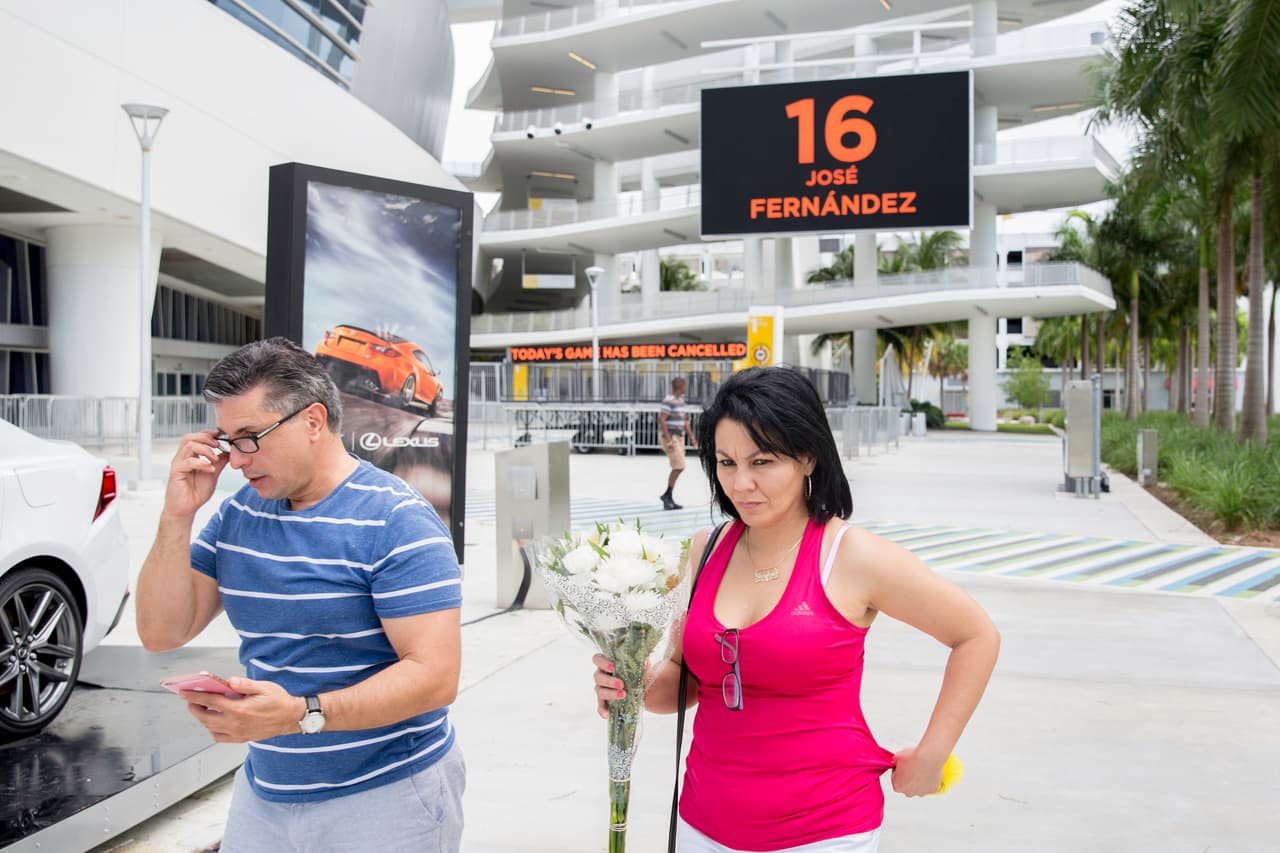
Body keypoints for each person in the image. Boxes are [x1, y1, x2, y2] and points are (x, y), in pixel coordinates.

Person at [593, 366, 1000, 853]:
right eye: (725, 462)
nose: (740, 483)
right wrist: (628, 680)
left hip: (824, 831)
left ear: (807, 457)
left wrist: (933, 754)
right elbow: (682, 683)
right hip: (704, 824)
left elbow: (976, 635)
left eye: (762, 462)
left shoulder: (851, 556)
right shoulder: (704, 550)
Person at [135, 338, 464, 853]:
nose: (237, 460)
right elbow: (161, 632)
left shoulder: (395, 520)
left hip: (387, 796)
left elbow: (435, 677)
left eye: (250, 437)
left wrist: (300, 713)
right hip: (266, 791)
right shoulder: (238, 513)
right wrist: (177, 515)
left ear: (312, 421)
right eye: (227, 440)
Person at [659, 376, 697, 510]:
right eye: (684, 385)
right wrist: (668, 439)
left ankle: (668, 496)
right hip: (671, 436)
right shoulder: (668, 401)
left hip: (678, 436)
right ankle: (667, 495)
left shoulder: (680, 401)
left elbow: (684, 421)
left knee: (679, 466)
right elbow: (662, 420)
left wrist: (692, 437)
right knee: (679, 465)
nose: (685, 388)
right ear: (680, 386)